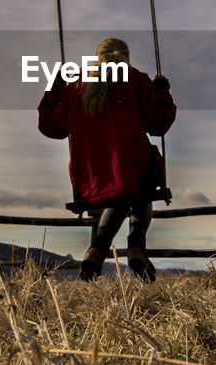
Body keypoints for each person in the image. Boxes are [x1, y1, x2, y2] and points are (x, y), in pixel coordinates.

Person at [37, 37, 176, 281]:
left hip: (89, 176)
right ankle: (136, 245)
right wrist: (162, 92)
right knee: (138, 184)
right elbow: (158, 123)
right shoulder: (135, 80)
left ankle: (97, 250)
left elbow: (52, 127)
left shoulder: (77, 84)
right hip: (133, 172)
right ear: (126, 56)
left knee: (122, 190)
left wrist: (56, 85)